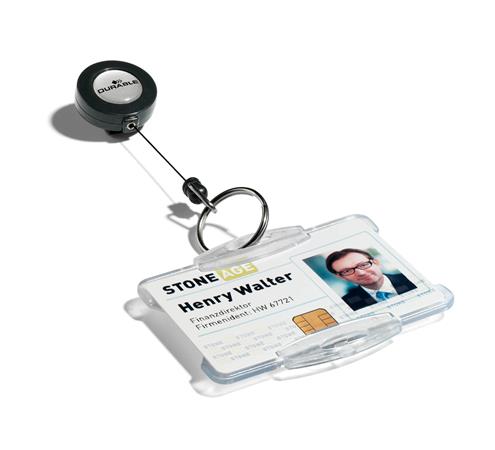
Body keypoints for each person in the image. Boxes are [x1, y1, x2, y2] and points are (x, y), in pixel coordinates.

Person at [325, 248, 417, 311]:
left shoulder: (412, 278)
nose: (361, 273)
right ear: (341, 277)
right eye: (347, 271)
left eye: (363, 265)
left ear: (376, 262)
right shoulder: (346, 304)